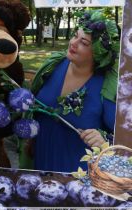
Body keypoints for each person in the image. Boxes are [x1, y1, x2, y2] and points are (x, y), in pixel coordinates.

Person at [25, 10, 118, 172]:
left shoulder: (107, 85)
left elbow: (122, 137)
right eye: (75, 36)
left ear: (98, 53)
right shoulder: (53, 66)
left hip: (77, 172)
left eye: (84, 42)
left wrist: (104, 140)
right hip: (42, 159)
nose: (73, 43)